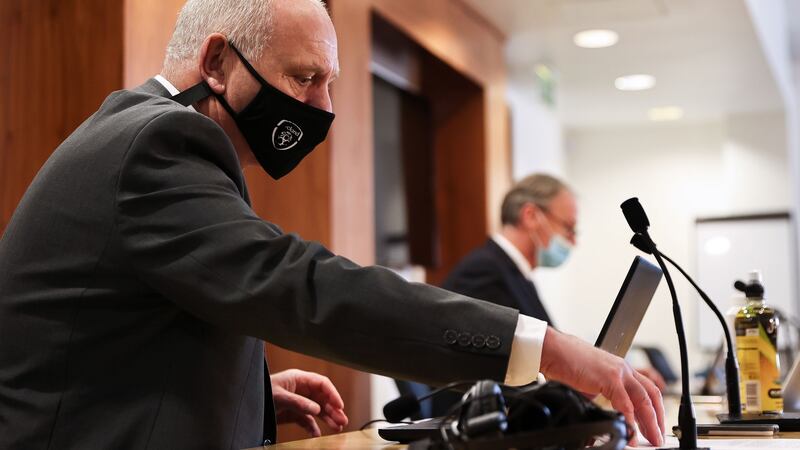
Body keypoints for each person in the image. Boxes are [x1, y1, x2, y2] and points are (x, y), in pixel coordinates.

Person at [0, 1, 664, 448]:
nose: (324, 107)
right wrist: (545, 347)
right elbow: (299, 286)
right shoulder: (159, 141)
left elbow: (130, 331)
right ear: (216, 63)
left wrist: (255, 392)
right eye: (305, 78)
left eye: (331, 83)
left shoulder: (146, 135)